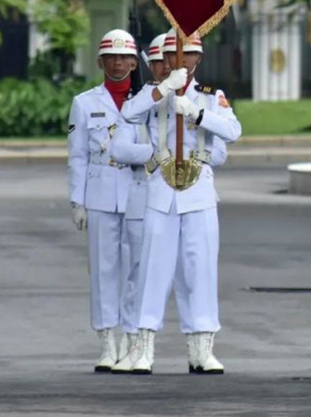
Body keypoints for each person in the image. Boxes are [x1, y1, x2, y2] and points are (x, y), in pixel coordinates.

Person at [117, 32, 241, 374]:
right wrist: (163, 89)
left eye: (186, 56)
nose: (180, 62)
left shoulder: (210, 96)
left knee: (200, 271)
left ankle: (201, 349)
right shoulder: (151, 94)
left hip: (198, 192)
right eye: (172, 56)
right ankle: (143, 349)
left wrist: (198, 114)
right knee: (152, 272)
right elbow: (128, 114)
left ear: (196, 59)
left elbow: (233, 131)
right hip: (161, 193)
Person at [67, 29, 140, 371]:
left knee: (134, 270)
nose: (118, 62)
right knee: (102, 270)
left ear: (134, 61)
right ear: (100, 61)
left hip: (137, 191)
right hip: (99, 193)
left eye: (124, 56)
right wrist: (76, 201)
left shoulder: (146, 100)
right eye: (111, 56)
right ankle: (106, 342)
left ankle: (130, 338)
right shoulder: (84, 103)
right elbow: (77, 156)